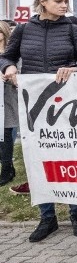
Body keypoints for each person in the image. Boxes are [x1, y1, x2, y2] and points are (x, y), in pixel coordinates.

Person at [0, 0, 77, 242]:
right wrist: (8, 68)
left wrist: (74, 69)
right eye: (59, 1)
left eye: (66, 1)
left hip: (68, 107)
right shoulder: (23, 30)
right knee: (38, 161)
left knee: (71, 159)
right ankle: (47, 217)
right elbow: (5, 57)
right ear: (42, 1)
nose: (65, 5)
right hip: (34, 107)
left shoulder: (73, 30)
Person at [0, 22, 18, 186]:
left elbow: (17, 76)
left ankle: (7, 169)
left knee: (5, 136)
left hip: (8, 100)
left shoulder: (10, 54)